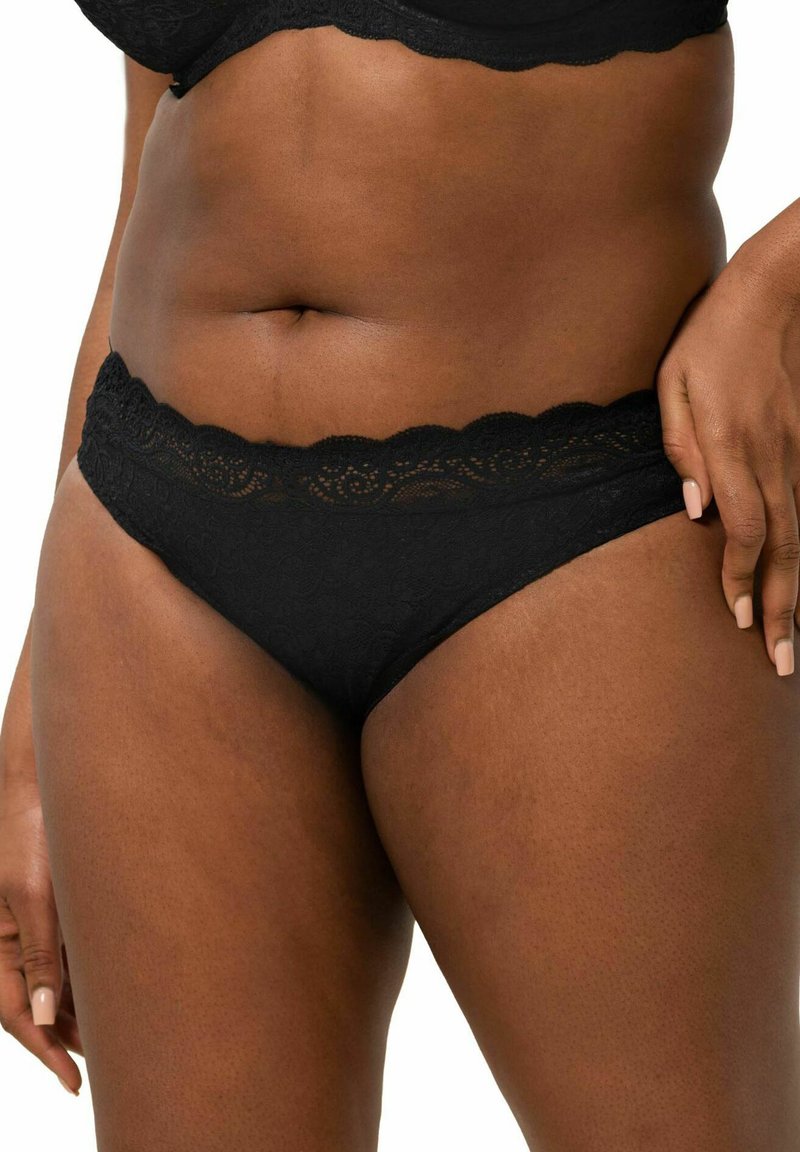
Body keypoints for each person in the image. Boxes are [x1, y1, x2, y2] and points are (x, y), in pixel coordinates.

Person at [2, 0, 800, 1146]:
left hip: (570, 521)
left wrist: (776, 291)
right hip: (147, 541)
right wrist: (33, 722)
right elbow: (153, 159)